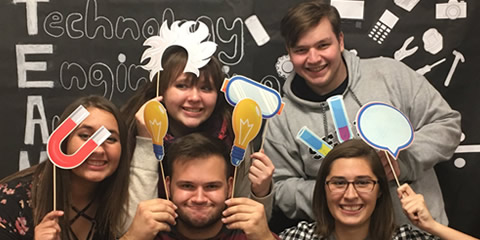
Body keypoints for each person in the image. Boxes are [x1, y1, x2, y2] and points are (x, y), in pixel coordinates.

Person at [264, 1, 461, 227]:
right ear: (289, 53)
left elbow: (448, 125)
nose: (314, 58)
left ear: (340, 41)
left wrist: (403, 161)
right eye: (301, 50)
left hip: (416, 229)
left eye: (323, 45)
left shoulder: (390, 75)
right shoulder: (282, 117)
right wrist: (334, 190)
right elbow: (279, 187)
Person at [121, 46, 274, 232]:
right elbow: (132, 228)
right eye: (182, 85)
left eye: (206, 88)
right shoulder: (128, 133)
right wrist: (146, 142)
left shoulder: (237, 133)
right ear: (161, 90)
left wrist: (261, 192)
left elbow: (249, 228)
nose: (194, 97)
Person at [280, 139, 477, 240]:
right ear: (323, 189)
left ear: (380, 190)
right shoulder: (303, 236)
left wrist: (432, 226)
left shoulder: (403, 238)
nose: (350, 195)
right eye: (339, 183)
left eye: (363, 182)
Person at [0, 95, 130, 240]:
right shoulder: (12, 202)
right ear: (63, 142)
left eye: (110, 139)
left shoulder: (122, 203)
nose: (98, 150)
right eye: (85, 136)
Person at [122, 133, 279, 240]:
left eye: (211, 186)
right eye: (187, 186)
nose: (199, 198)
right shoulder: (148, 233)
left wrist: (265, 237)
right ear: (168, 186)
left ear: (230, 187)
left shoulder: (251, 234)